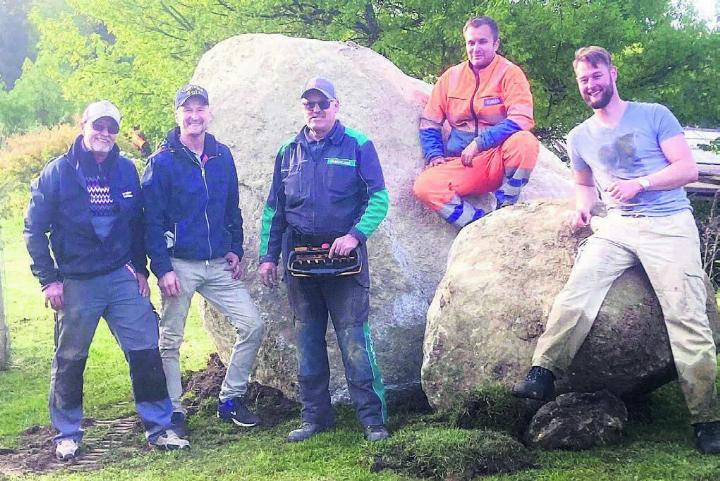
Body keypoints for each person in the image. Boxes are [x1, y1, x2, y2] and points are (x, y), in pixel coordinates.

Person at [511, 46, 720, 454]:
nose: (590, 84)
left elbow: (687, 169)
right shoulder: (579, 137)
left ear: (612, 74)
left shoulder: (654, 115)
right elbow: (584, 185)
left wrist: (640, 184)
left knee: (686, 315)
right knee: (578, 291)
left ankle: (707, 418)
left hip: (668, 225)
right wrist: (583, 210)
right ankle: (543, 371)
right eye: (583, 80)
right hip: (618, 226)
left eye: (596, 75)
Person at [24, 100, 189, 461]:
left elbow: (137, 224)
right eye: (98, 125)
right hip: (76, 282)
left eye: (112, 128)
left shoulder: (127, 170)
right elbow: (34, 229)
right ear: (83, 124)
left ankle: (159, 427)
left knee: (146, 351)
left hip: (120, 278)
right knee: (70, 358)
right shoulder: (58, 172)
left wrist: (140, 270)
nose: (105, 133)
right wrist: (48, 280)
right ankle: (67, 434)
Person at [258, 77, 390, 442]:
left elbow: (378, 198)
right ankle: (315, 419)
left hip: (346, 264)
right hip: (300, 264)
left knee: (354, 341)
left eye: (323, 103)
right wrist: (267, 257)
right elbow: (275, 209)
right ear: (303, 107)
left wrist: (354, 236)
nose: (316, 110)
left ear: (336, 106)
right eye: (309, 104)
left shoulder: (359, 145)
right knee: (308, 342)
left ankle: (372, 421)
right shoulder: (288, 150)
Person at [142, 85, 264, 436]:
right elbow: (151, 221)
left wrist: (235, 248)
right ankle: (173, 409)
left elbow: (232, 209)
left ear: (209, 113)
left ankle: (230, 399)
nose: (194, 116)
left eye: (200, 108)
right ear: (177, 114)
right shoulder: (162, 161)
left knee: (252, 324)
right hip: (179, 265)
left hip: (217, 264)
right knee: (170, 339)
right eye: (187, 109)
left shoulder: (222, 156)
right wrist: (162, 268)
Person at [413, 16, 539, 228]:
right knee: (425, 186)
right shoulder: (450, 77)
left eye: (482, 42)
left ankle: (506, 207)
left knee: (526, 142)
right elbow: (430, 122)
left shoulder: (510, 73)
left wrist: (480, 143)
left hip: (498, 157)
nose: (476, 48)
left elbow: (521, 119)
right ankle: (480, 226)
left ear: (495, 44)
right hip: (463, 163)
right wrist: (433, 154)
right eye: (471, 43)